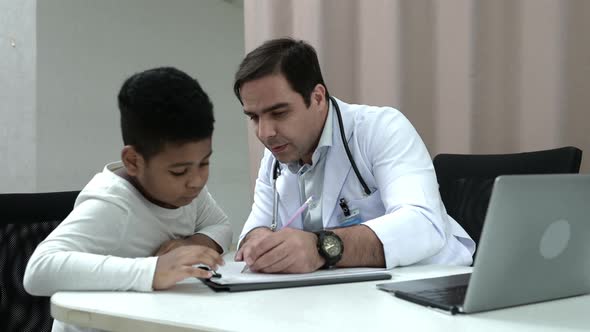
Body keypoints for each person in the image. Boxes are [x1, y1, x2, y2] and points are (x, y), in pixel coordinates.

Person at [233, 38, 475, 274]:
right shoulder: (276, 156)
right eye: (254, 117)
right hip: (344, 297)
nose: (265, 133)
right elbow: (256, 227)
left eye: (279, 113)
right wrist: (259, 243)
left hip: (428, 282)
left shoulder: (381, 129)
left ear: (317, 97)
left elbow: (424, 225)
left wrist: (321, 247)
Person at [24, 67, 232, 332]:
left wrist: (193, 243)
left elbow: (222, 226)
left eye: (204, 163)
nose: (197, 181)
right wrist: (152, 271)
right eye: (179, 171)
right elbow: (38, 270)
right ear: (133, 161)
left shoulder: (186, 193)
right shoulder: (111, 206)